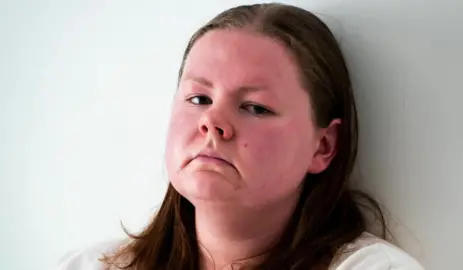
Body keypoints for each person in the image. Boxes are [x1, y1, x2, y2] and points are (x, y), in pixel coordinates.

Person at [57, 3, 424, 270]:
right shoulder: (86, 266)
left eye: (255, 107)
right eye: (199, 98)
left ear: (324, 145)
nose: (213, 122)